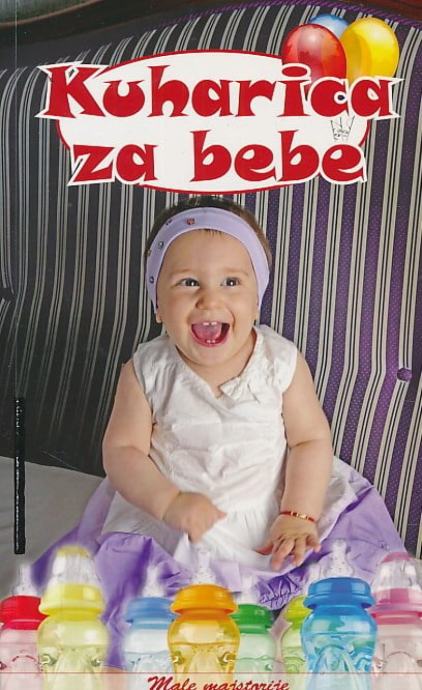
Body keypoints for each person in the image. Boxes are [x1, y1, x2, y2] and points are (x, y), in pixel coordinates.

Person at [32, 196, 404, 667]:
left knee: (340, 580)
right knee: (137, 608)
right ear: (158, 304)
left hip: (273, 505)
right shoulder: (147, 370)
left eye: (231, 282)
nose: (210, 299)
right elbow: (123, 451)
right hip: (178, 516)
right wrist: (168, 502)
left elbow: (309, 441)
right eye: (188, 282)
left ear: (256, 298)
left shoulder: (280, 362)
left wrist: (299, 513)